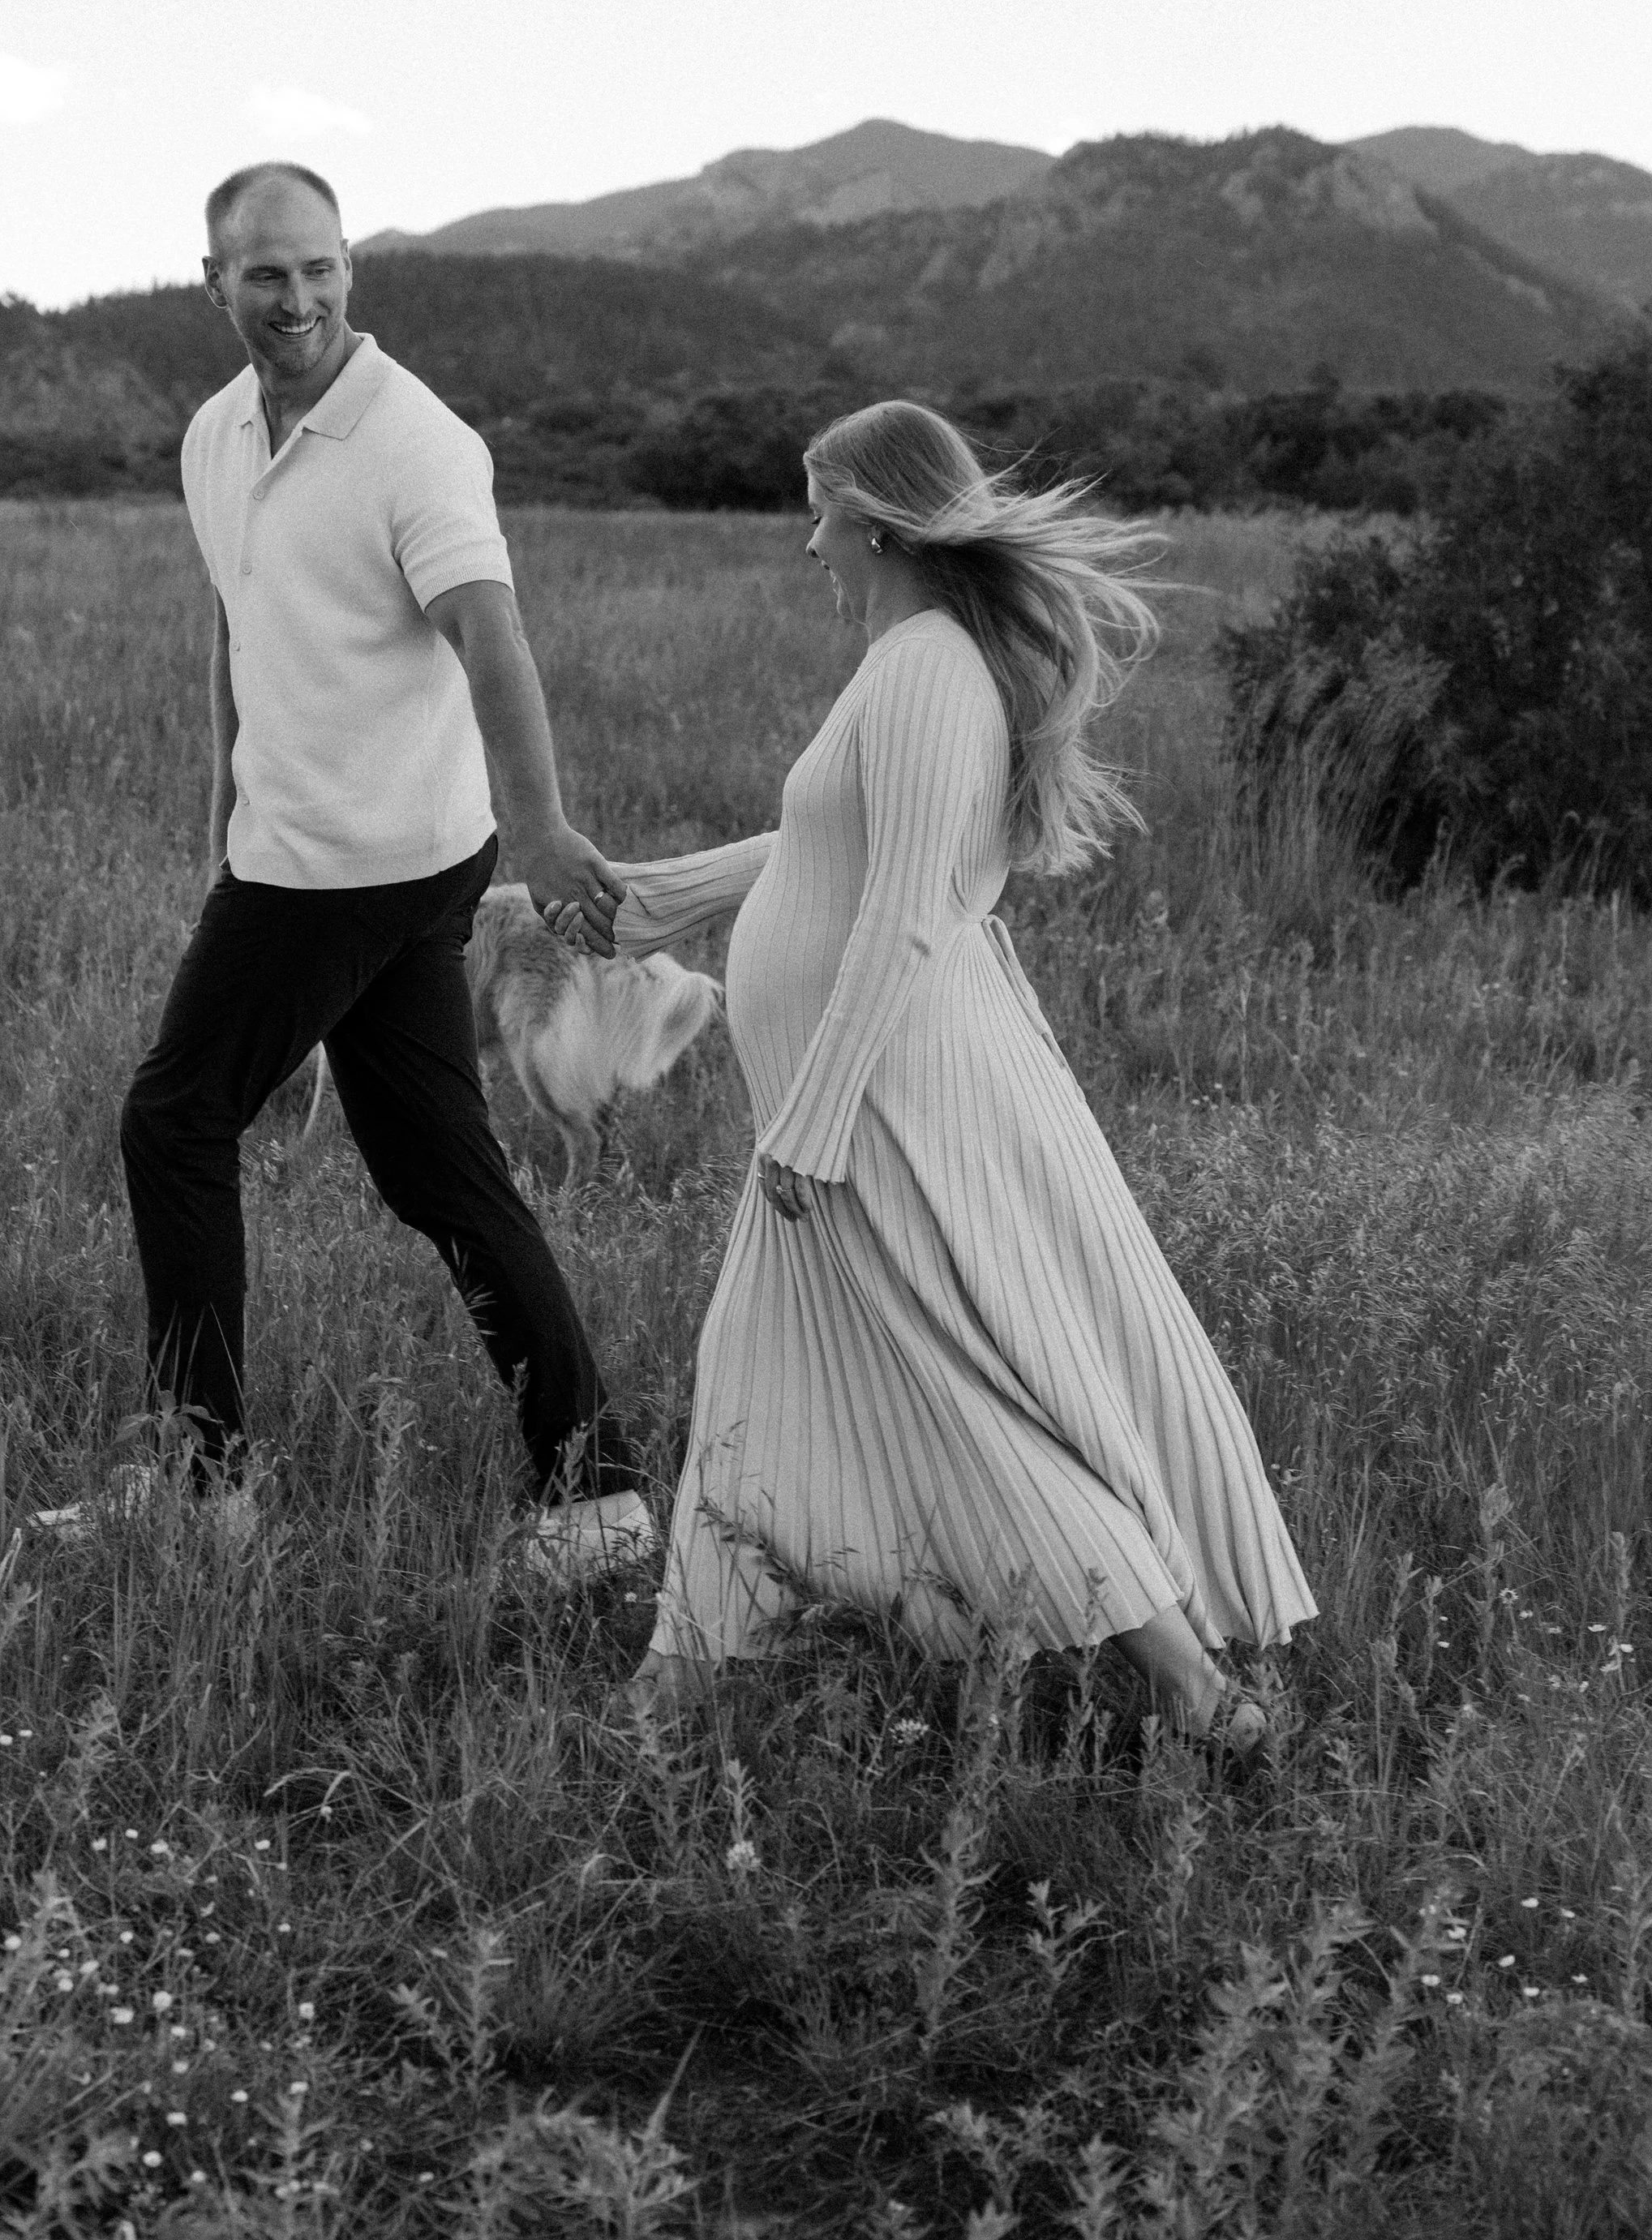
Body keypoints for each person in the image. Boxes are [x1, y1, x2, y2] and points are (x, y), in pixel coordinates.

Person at [557, 400, 1313, 1754]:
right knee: (750, 1371)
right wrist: (641, 907)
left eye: (822, 511)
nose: (809, 546)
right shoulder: (913, 663)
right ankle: (674, 1682)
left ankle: (1200, 1696)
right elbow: (819, 846)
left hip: (882, 1106)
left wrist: (817, 1118)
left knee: (971, 1397)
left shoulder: (922, 670)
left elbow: (906, 906)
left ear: (884, 521)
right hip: (854, 1100)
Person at [118, 160, 650, 1565]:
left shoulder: (417, 442)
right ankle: (599, 1495)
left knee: (173, 1122)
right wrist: (221, 814)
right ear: (215, 282)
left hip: (362, 865)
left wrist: (539, 831)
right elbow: (239, 629)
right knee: (438, 1170)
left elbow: (492, 635)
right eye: (267, 274)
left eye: (321, 268)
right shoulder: (217, 436)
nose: (297, 297)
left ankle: (202, 1487)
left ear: (351, 269)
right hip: (310, 852)